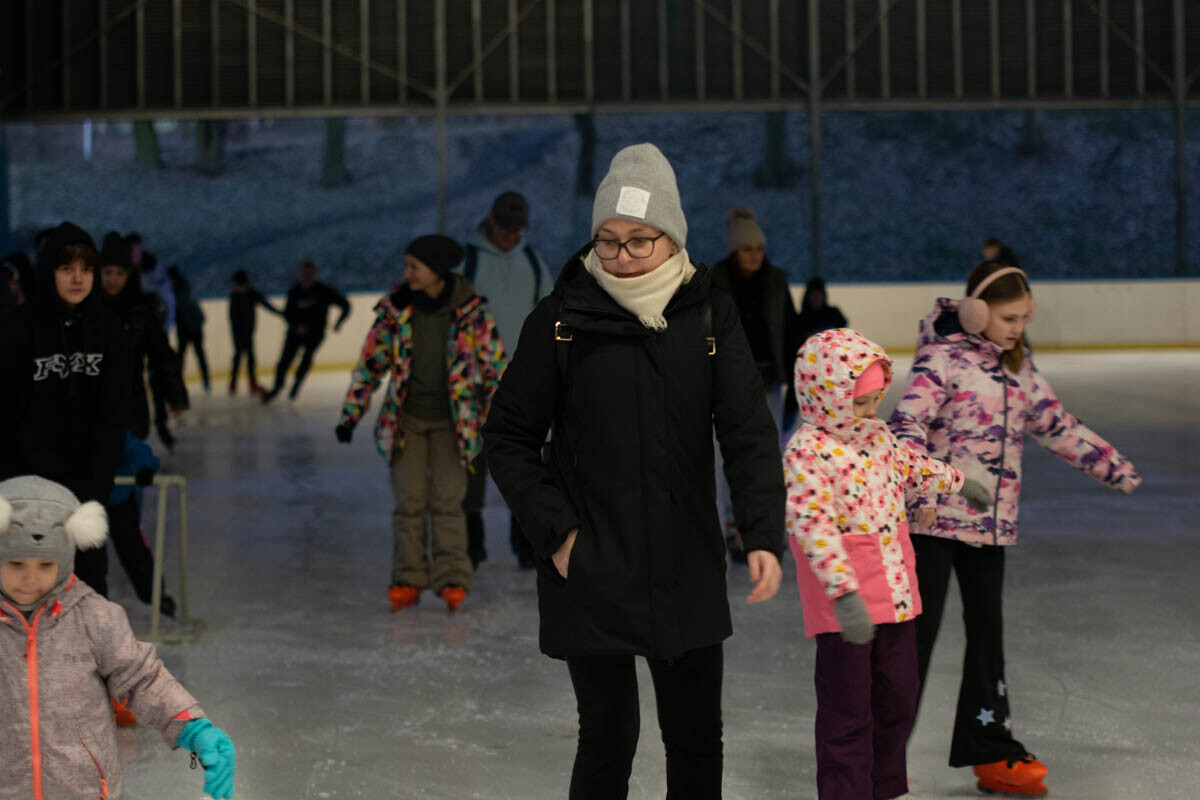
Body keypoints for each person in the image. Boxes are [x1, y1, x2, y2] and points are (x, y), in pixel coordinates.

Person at [483, 143, 785, 800]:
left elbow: (748, 433)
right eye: (608, 241)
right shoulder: (561, 320)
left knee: (696, 738)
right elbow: (506, 436)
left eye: (639, 242)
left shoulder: (709, 315)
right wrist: (557, 533)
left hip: (684, 563)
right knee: (608, 736)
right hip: (591, 564)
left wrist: (761, 531)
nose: (621, 257)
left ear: (673, 238)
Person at [889, 262, 1141, 797]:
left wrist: (1112, 465)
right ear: (978, 311)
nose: (1016, 329)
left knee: (988, 638)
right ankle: (880, 755)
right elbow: (904, 427)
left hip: (988, 525)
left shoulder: (1018, 370)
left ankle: (990, 747)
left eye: (1024, 319)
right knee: (915, 639)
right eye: (1007, 318)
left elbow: (1056, 425)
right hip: (931, 522)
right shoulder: (941, 360)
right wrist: (928, 490)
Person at [784, 328, 991, 800]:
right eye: (859, 402)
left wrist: (958, 483)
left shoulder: (879, 437)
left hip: (896, 594)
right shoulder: (807, 451)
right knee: (848, 711)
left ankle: (884, 788)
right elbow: (811, 527)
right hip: (847, 606)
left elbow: (916, 465)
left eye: (875, 399)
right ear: (825, 395)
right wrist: (843, 594)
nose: (869, 411)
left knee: (899, 697)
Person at [0, 475, 236, 800]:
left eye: (45, 564)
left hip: (83, 791)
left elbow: (143, 680)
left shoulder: (94, 618)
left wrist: (193, 727)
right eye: (15, 563)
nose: (30, 578)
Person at [335, 235, 507, 613]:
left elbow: (497, 369)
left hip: (456, 426)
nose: (406, 273)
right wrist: (351, 414)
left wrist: (501, 418)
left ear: (437, 270)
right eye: (406, 265)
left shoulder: (471, 313)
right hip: (407, 422)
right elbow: (370, 365)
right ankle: (408, 577)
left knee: (448, 502)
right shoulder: (396, 310)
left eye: (414, 266)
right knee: (409, 503)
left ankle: (452, 579)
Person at [0, 222, 132, 597]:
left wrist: (95, 490)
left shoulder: (109, 331)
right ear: (48, 272)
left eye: (87, 269)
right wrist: (13, 489)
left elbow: (113, 417)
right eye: (66, 268)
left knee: (88, 593)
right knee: (21, 591)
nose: (78, 278)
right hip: (23, 490)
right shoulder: (17, 330)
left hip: (83, 489)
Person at [459, 190, 553, 570]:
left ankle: (525, 543)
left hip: (520, 386)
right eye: (506, 228)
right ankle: (472, 543)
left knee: (523, 465)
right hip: (475, 385)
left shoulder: (532, 261)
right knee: (473, 466)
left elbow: (549, 316)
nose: (511, 236)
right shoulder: (466, 263)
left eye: (518, 230)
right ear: (490, 219)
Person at [710, 206, 798, 562]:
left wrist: (794, 386)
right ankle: (733, 525)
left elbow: (789, 332)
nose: (755, 256)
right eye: (748, 250)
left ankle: (763, 529)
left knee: (765, 459)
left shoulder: (775, 282)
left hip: (768, 383)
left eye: (759, 249)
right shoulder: (714, 282)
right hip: (727, 386)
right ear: (735, 250)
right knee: (729, 459)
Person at [97, 232, 189, 445]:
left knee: (128, 463)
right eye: (107, 272)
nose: (113, 279)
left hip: (132, 405)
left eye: (120, 273)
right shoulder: (87, 311)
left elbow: (162, 355)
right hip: (93, 408)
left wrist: (176, 397)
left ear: (129, 275)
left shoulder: (142, 310)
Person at [262, 260, 351, 403]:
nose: (307, 276)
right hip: (295, 332)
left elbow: (346, 306)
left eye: (310, 274)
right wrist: (296, 326)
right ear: (301, 274)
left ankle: (296, 384)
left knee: (306, 358)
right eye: (305, 273)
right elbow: (288, 313)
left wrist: (338, 323)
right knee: (284, 360)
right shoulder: (294, 292)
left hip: (315, 334)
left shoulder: (324, 291)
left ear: (315, 274)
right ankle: (277, 387)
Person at [228, 268, 283, 396]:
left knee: (248, 357)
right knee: (239, 356)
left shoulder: (251, 293)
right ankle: (234, 385)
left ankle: (247, 384)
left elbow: (266, 304)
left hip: (248, 331)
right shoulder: (236, 296)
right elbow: (232, 317)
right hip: (239, 333)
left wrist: (281, 313)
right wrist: (236, 334)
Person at [168, 265, 210, 393]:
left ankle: (205, 381)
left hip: (192, 328)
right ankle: (181, 382)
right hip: (186, 328)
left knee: (195, 355)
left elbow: (180, 311)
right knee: (184, 356)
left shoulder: (180, 292)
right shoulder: (179, 291)